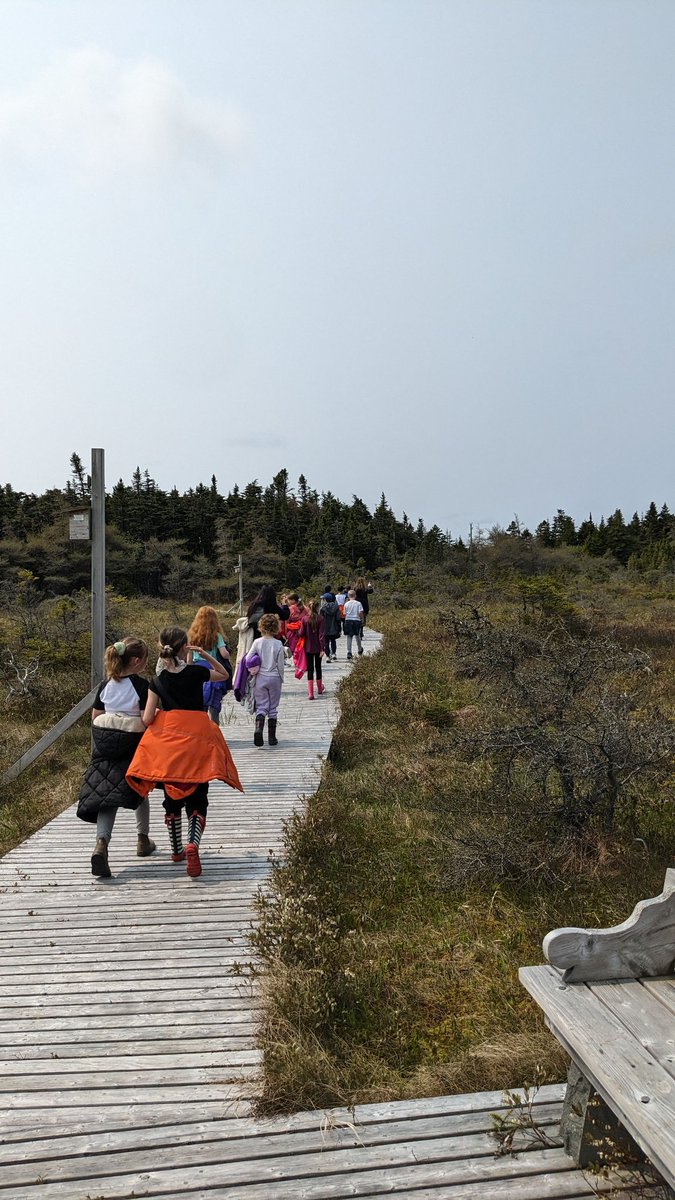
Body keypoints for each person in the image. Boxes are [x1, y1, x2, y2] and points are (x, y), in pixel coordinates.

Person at [127, 626, 242, 879]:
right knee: (198, 795)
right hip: (198, 742)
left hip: (169, 745)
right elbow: (224, 674)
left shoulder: (157, 682)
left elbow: (147, 719)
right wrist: (204, 653)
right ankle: (193, 843)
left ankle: (177, 850)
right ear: (184, 647)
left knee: (172, 795)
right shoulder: (196, 672)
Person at [77, 637, 155, 879]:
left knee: (105, 796)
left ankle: (101, 844)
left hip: (105, 748)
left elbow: (96, 716)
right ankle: (143, 840)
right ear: (136, 661)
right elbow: (145, 720)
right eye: (144, 659)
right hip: (132, 746)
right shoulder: (142, 687)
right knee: (138, 788)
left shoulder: (106, 685)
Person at [233, 585, 290, 681]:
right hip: (268, 636)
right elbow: (284, 616)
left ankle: (253, 678)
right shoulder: (272, 605)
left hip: (253, 637)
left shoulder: (253, 604)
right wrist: (284, 605)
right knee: (267, 659)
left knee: (254, 658)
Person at [246, 613, 286, 746]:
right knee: (273, 707)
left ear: (261, 627)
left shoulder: (257, 642)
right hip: (274, 677)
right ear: (276, 627)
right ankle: (272, 738)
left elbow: (248, 658)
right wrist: (281, 677)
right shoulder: (278, 643)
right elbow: (280, 664)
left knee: (262, 705)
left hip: (261, 677)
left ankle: (258, 729)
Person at [188, 605, 233, 724]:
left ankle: (202, 730)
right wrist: (229, 654)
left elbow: (189, 661)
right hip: (213, 670)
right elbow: (224, 654)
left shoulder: (192, 636)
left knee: (201, 703)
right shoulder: (217, 636)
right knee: (214, 705)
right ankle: (215, 731)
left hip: (198, 670)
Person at [301, 598, 326, 699]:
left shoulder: (304, 619)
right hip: (318, 647)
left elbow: (301, 633)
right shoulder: (321, 619)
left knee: (310, 669)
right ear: (317, 607)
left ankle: (311, 693)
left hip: (307, 647)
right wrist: (322, 648)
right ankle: (319, 689)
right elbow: (322, 635)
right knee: (318, 667)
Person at [320, 591, 342, 661]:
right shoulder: (336, 607)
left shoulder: (322, 608)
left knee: (326, 642)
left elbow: (320, 619)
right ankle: (334, 653)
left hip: (325, 628)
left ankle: (327, 656)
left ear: (325, 599)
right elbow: (338, 618)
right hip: (334, 627)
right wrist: (339, 627)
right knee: (333, 641)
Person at [343, 590, 364, 659]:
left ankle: (349, 652)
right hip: (356, 620)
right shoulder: (358, 603)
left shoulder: (346, 604)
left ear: (348, 596)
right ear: (355, 595)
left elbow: (344, 613)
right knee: (357, 635)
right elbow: (360, 612)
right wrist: (362, 619)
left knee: (349, 636)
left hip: (348, 620)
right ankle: (359, 649)